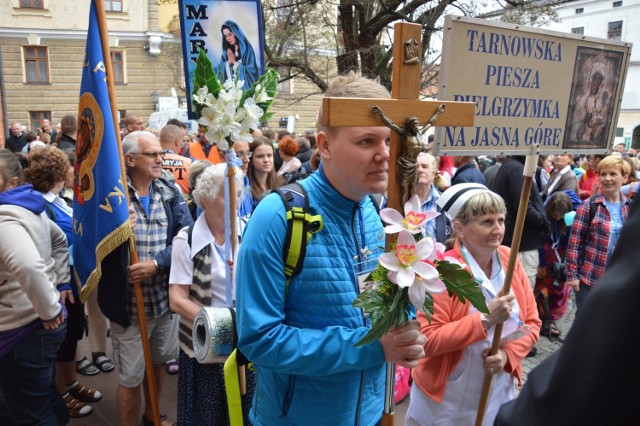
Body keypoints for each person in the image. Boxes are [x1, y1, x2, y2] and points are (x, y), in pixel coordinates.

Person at [236, 72, 427, 425]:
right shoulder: (277, 219)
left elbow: (394, 302)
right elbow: (259, 340)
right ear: (324, 145)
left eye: (388, 140)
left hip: (367, 414)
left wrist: (406, 327)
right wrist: (373, 347)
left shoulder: (383, 215)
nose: (384, 154)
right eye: (367, 141)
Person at [495, 195, 640, 426]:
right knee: (547, 296)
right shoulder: (587, 209)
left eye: (500, 221)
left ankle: (552, 321)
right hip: (569, 267)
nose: (497, 229)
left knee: (557, 299)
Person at [406, 183, 540, 426]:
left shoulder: (510, 260)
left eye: (500, 220)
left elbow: (531, 324)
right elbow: (428, 340)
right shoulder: (444, 270)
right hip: (446, 399)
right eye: (487, 222)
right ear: (460, 228)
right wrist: (486, 319)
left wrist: (507, 355)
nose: (498, 229)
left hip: (496, 390)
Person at [114, 131, 193, 426]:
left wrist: (158, 264)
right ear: (131, 159)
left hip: (163, 300)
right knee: (131, 375)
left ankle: (152, 416)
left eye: (161, 153)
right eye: (153, 154)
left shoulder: (169, 190)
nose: (161, 159)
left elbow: (187, 237)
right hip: (127, 306)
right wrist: (116, 228)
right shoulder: (114, 195)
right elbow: (94, 243)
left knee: (158, 362)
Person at [169, 163, 255, 425]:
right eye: (227, 194)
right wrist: (223, 325)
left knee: (245, 409)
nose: (236, 200)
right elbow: (177, 299)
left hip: (247, 341)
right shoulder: (187, 239)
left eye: (239, 193)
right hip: (206, 346)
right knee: (208, 415)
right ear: (205, 200)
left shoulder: (250, 231)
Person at [23, 146, 101, 418]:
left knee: (74, 333)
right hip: (60, 282)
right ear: (58, 172)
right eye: (70, 166)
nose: (74, 171)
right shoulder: (40, 205)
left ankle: (70, 383)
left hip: (74, 279)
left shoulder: (59, 200)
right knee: (62, 340)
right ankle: (60, 393)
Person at [0, 149, 70, 425]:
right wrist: (61, 282)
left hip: (22, 330)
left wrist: (49, 309)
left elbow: (28, 266)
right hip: (34, 327)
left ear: (12, 182)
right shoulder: (27, 206)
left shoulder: (5, 216)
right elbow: (59, 240)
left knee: (31, 413)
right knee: (43, 397)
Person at [565, 155, 631, 312]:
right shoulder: (589, 206)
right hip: (590, 278)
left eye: (613, 174)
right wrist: (572, 275)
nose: (607, 178)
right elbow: (574, 243)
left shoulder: (631, 207)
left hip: (618, 281)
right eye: (603, 174)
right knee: (586, 324)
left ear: (625, 178)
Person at [535, 192, 574, 338]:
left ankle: (551, 319)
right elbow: (540, 241)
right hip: (546, 254)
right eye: (555, 214)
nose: (557, 218)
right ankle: (541, 317)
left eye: (561, 215)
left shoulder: (570, 221)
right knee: (542, 285)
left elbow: (572, 242)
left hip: (561, 260)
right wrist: (542, 264)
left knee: (560, 290)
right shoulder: (545, 220)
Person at [413, 152, 450, 243]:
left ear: (433, 172)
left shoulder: (445, 201)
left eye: (424, 166)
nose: (420, 170)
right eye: (416, 167)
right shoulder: (402, 200)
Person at [216, 20, 260, 90]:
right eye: (226, 36)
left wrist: (234, 62)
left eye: (230, 34)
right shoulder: (227, 51)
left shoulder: (247, 49)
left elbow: (252, 72)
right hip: (230, 89)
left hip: (242, 89)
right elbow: (219, 70)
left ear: (236, 33)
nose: (228, 38)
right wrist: (228, 63)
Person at [247, 136, 283, 209]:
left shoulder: (280, 181)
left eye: (269, 155)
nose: (266, 160)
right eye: (260, 156)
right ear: (251, 160)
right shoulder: (245, 187)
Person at [160, 124, 192, 195]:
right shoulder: (189, 163)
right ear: (177, 141)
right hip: (183, 204)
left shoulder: (151, 162)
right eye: (182, 141)